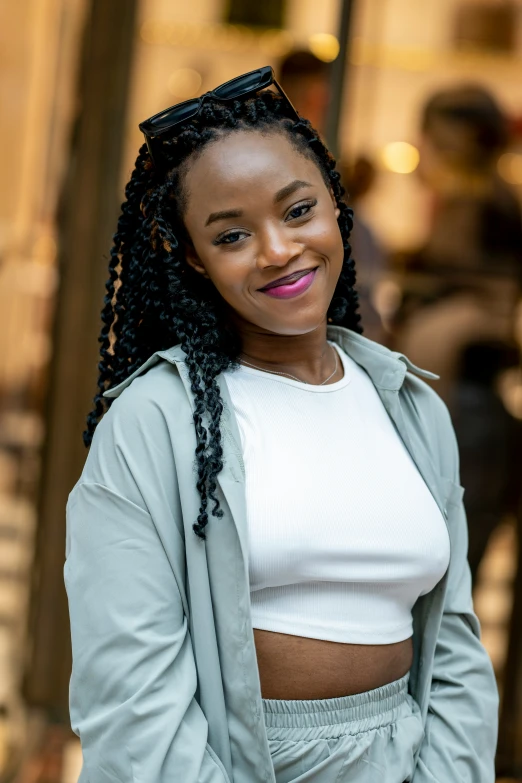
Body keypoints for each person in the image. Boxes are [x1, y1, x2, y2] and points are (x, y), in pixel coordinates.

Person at [64, 66, 498, 783]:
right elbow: (132, 700)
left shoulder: (410, 405)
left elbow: (453, 648)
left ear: (336, 206)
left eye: (298, 211)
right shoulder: (155, 422)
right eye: (232, 234)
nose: (277, 249)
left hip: (406, 758)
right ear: (195, 261)